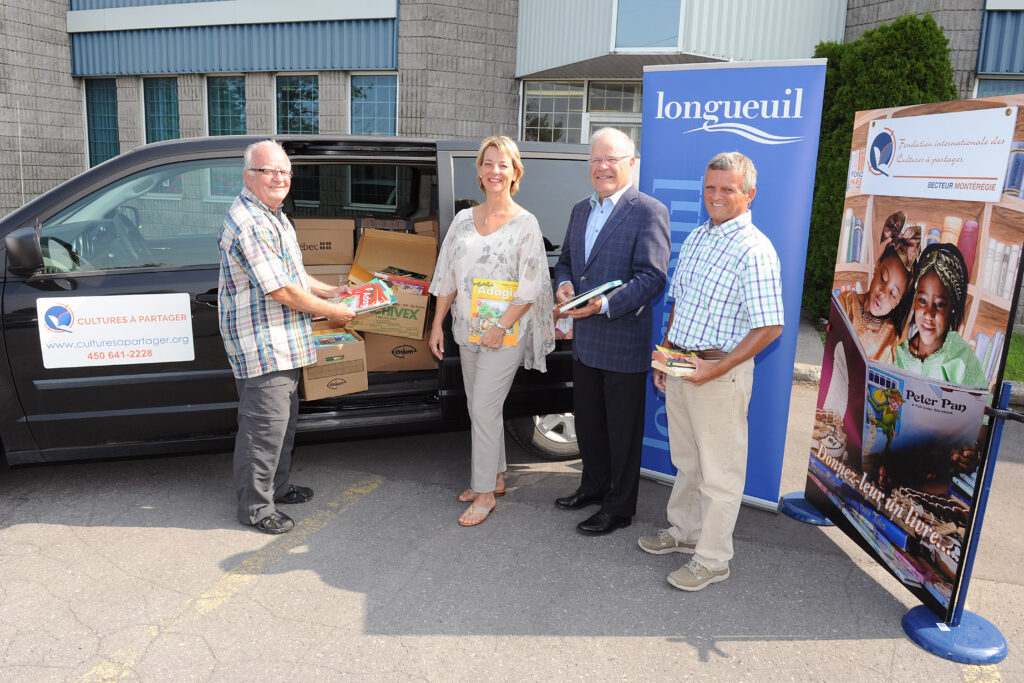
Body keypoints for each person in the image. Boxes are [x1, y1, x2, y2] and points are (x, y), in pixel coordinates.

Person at [640, 152, 784, 591]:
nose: (715, 196)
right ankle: (684, 533)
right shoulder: (700, 236)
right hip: (683, 363)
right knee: (687, 461)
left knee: (720, 473)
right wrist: (666, 356)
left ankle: (714, 558)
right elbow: (679, 301)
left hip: (720, 371)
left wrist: (717, 367)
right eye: (710, 188)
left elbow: (771, 325)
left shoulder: (755, 249)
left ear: (749, 194)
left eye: (727, 189)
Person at [218, 140, 356, 534]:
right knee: (264, 429)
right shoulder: (251, 222)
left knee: (282, 423)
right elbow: (279, 290)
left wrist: (329, 291)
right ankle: (256, 509)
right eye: (269, 171)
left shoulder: (273, 214)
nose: (279, 178)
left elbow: (291, 273)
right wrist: (334, 312)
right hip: (264, 344)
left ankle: (277, 487)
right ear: (249, 176)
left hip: (283, 342)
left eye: (285, 171)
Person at [429, 135, 555, 527]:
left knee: (483, 407)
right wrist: (436, 324)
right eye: (488, 163)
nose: (495, 171)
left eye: (503, 164)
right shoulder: (465, 218)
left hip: (506, 332)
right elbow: (447, 274)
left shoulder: (526, 223)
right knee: (480, 407)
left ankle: (483, 493)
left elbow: (531, 286)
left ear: (515, 172)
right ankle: (495, 476)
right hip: (467, 329)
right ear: (479, 171)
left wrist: (501, 327)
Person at [552, 127, 671, 535]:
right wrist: (563, 285)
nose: (602, 167)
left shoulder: (648, 210)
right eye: (596, 160)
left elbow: (652, 278)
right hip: (586, 344)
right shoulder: (581, 209)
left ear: (631, 164)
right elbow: (566, 261)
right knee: (589, 425)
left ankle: (619, 508)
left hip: (623, 342)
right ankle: (593, 487)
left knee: (622, 434)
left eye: (612, 159)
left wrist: (603, 304)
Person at [893, 242, 986, 387]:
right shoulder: (899, 355)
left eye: (940, 304)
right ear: (914, 300)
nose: (929, 314)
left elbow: (981, 405)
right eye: (923, 301)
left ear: (953, 305)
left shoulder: (962, 359)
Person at [837, 212, 920, 363]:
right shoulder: (846, 303)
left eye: (893, 294)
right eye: (883, 278)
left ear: (899, 301)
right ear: (877, 265)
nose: (882, 294)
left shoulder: (895, 336)